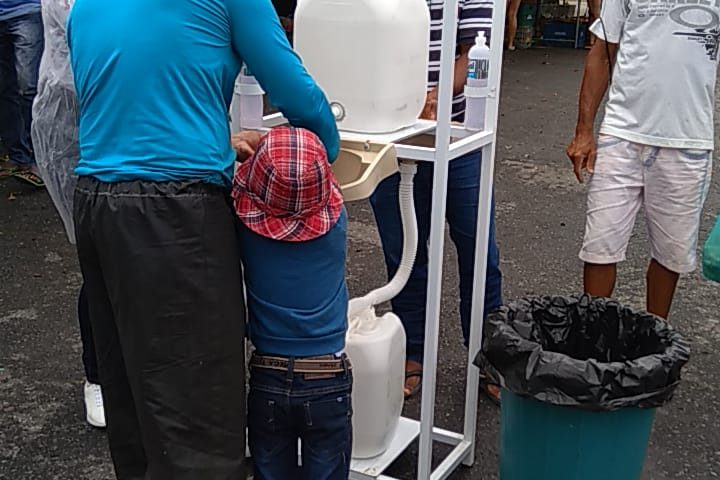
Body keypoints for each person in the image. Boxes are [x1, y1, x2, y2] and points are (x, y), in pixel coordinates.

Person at [66, 0, 340, 477]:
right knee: (196, 421)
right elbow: (300, 97)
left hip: (96, 201)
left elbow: (135, 96)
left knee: (135, 403)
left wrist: (217, 141)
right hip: (173, 216)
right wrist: (324, 157)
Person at [370, 0, 503, 401]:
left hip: (457, 136)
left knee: (479, 252)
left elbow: (476, 48)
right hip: (387, 135)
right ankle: (412, 352)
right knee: (404, 253)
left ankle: (491, 356)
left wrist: (434, 98)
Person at [567, 0, 717, 319]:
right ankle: (593, 333)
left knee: (669, 255)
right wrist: (583, 130)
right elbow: (602, 51)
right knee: (599, 246)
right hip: (621, 133)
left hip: (687, 140)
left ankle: (655, 337)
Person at [234, 126, 351, 480]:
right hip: (327, 376)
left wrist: (243, 150)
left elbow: (238, 189)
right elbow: (318, 183)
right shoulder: (337, 224)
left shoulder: (243, 229)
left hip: (267, 373)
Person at [30, 0, 105, 429]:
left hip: (125, 116)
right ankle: (97, 376)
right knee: (98, 260)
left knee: (137, 256)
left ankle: (131, 367)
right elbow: (91, 35)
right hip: (73, 119)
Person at [0, 0, 44, 186]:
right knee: (4, 90)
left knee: (28, 87)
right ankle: (19, 157)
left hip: (26, 12)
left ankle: (39, 158)